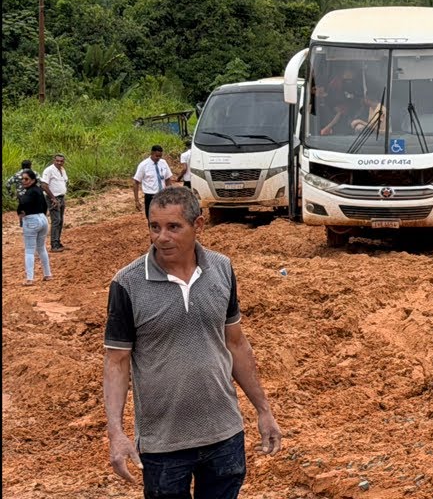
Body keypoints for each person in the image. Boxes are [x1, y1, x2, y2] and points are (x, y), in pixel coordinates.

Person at [104, 187, 283, 497]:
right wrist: (116, 432)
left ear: (198, 226)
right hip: (163, 445)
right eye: (154, 227)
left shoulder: (222, 269)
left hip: (225, 435)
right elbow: (116, 361)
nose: (161, 237)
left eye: (174, 227)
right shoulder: (127, 283)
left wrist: (263, 410)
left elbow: (236, 344)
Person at [16, 169, 55, 285]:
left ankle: (30, 278)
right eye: (22, 179)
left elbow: (23, 203)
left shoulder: (29, 192)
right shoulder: (38, 190)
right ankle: (47, 274)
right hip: (43, 219)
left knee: (29, 250)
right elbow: (44, 205)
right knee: (41, 247)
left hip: (31, 220)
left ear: (32, 180)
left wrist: (20, 211)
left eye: (26, 179)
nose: (24, 181)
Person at [133, 146, 173, 218]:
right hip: (150, 196)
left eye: (160, 156)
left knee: (164, 217)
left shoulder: (163, 163)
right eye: (156, 156)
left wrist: (170, 193)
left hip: (162, 195)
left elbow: (168, 179)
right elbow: (136, 182)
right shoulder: (143, 165)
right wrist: (136, 200)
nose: (158, 158)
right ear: (152, 153)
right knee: (151, 218)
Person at [42, 153, 69, 252]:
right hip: (54, 198)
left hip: (61, 197)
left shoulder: (62, 170)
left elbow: (64, 181)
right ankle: (54, 244)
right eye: (57, 161)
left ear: (63, 162)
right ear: (54, 160)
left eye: (61, 161)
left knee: (60, 221)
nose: (59, 163)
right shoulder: (49, 170)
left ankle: (58, 242)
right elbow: (44, 185)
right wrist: (53, 198)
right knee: (56, 220)